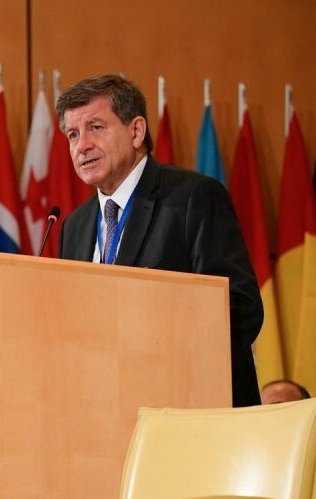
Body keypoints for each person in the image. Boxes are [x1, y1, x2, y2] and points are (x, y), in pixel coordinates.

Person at [55, 74, 263, 407]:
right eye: (73, 135)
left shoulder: (192, 198)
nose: (82, 146)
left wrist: (157, 365)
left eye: (96, 127)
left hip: (192, 411)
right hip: (104, 411)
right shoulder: (74, 226)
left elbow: (240, 309)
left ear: (136, 131)